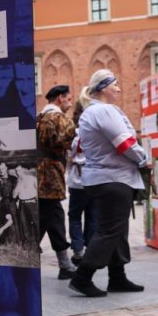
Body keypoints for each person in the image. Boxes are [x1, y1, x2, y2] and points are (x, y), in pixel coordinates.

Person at [69, 69, 149, 298]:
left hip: (104, 178)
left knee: (117, 230)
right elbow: (124, 144)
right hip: (113, 178)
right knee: (109, 230)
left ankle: (117, 277)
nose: (119, 88)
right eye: (115, 84)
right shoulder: (103, 111)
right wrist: (143, 160)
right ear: (103, 87)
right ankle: (82, 278)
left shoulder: (91, 112)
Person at [36, 85, 78, 279]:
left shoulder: (39, 118)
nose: (69, 103)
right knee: (46, 214)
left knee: (54, 215)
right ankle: (28, 250)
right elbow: (68, 140)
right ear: (60, 98)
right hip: (49, 174)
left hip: (38, 172)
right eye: (68, 99)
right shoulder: (58, 118)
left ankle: (64, 264)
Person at [67, 88, 97, 266]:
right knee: (92, 215)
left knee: (75, 215)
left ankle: (78, 250)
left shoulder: (76, 133)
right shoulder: (95, 132)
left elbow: (69, 154)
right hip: (93, 178)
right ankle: (91, 248)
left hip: (78, 180)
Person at [13, 164, 39, 247]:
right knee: (24, 224)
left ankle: (39, 243)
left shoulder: (32, 178)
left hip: (32, 203)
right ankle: (27, 243)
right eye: (16, 171)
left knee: (36, 223)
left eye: (19, 170)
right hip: (22, 204)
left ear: (24, 170)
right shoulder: (18, 181)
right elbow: (14, 195)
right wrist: (18, 184)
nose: (18, 173)